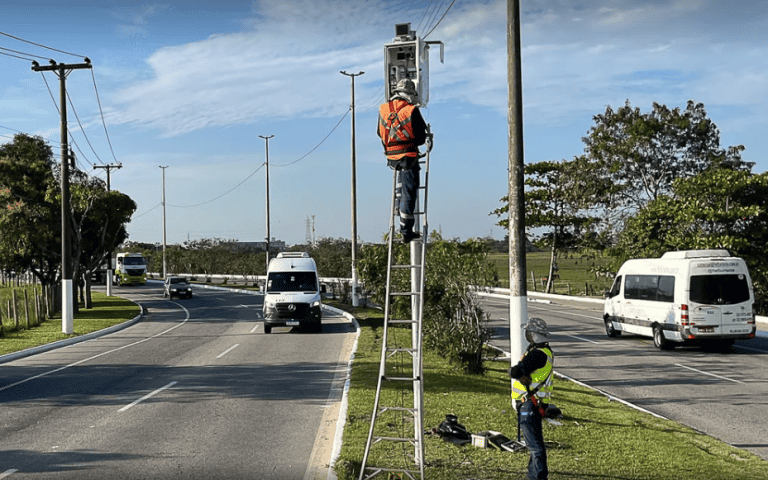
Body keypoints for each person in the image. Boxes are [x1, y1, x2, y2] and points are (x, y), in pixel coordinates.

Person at [377, 78, 430, 243]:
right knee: (409, 192)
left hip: (391, 157)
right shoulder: (410, 110)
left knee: (400, 189)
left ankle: (398, 217)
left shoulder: (384, 110)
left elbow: (379, 133)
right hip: (408, 156)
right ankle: (406, 231)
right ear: (410, 94)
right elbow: (421, 138)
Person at [508, 318, 554, 480]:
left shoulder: (537, 355)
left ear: (534, 333)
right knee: (535, 446)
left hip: (529, 404)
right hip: (535, 404)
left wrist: (515, 370)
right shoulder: (544, 352)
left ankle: (537, 477)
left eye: (528, 331)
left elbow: (515, 372)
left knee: (535, 448)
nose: (526, 334)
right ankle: (533, 476)